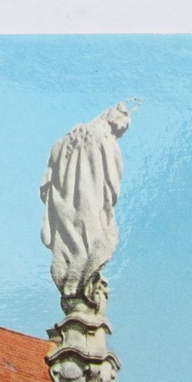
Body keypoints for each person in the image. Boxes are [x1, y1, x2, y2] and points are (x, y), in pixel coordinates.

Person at [40, 103, 132, 306]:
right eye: (120, 131)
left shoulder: (64, 141)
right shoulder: (106, 140)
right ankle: (80, 285)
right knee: (97, 242)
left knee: (70, 244)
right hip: (91, 205)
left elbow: (46, 182)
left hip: (64, 205)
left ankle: (73, 283)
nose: (119, 134)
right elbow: (112, 181)